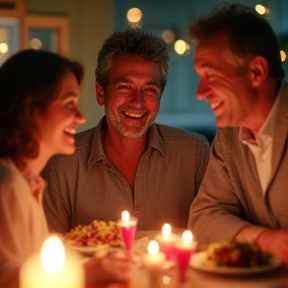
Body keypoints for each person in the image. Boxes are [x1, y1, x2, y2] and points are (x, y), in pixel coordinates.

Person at [42, 28, 210, 234]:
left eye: (149, 90)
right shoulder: (61, 164)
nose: (138, 103)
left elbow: (211, 239)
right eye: (125, 87)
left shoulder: (195, 154)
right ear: (100, 93)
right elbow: (51, 250)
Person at [0, 49, 132, 288]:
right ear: (31, 108)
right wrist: (82, 276)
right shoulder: (7, 187)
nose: (80, 117)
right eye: (69, 104)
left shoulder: (27, 182)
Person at [188, 3, 288, 264]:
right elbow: (203, 216)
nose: (200, 92)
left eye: (210, 74)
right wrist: (262, 239)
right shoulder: (229, 136)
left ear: (256, 72)